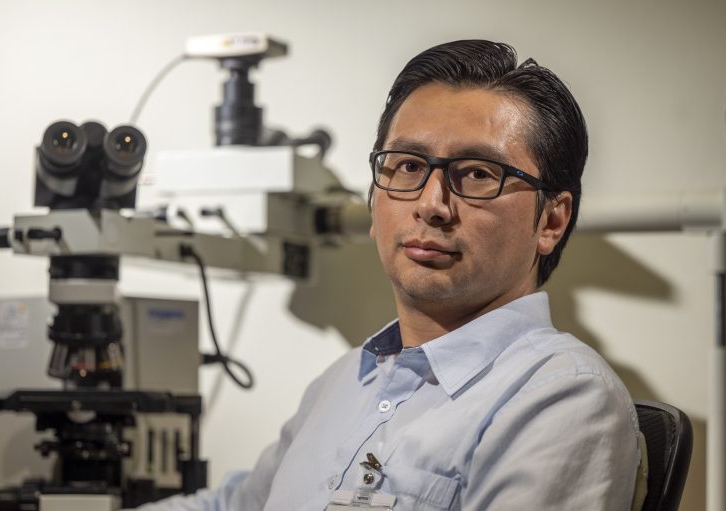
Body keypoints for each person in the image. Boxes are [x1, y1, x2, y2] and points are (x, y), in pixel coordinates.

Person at [138, 39, 643, 511]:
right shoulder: (344, 383)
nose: (431, 204)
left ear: (551, 221)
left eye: (478, 174)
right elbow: (235, 505)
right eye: (406, 165)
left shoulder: (561, 398)